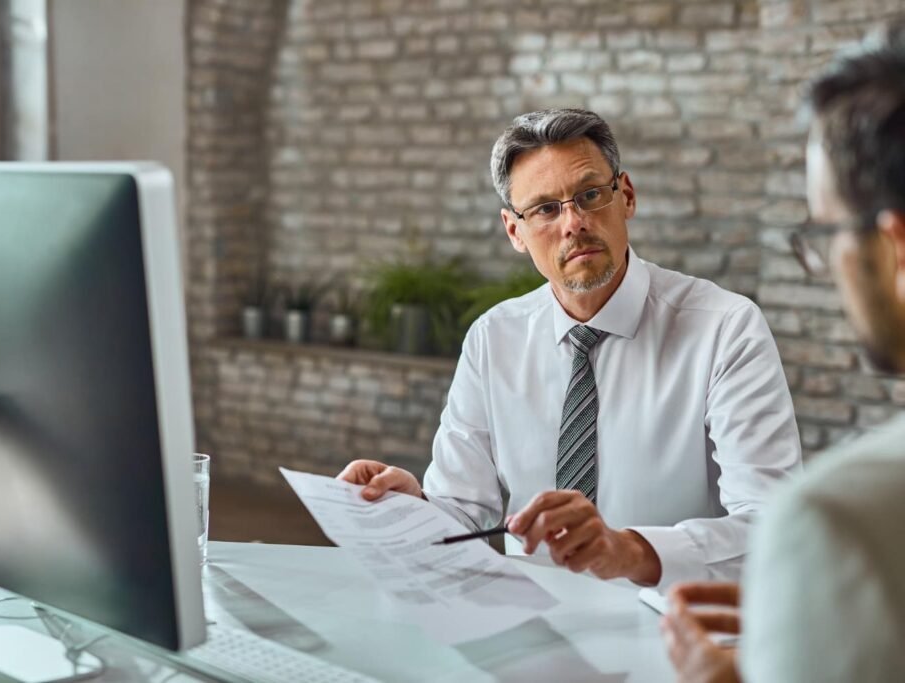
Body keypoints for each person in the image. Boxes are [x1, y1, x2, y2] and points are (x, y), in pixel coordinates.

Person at [339, 108, 802, 588]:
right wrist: (411, 508)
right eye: (544, 208)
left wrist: (628, 551)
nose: (574, 222)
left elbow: (773, 527)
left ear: (626, 196)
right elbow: (463, 511)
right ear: (514, 231)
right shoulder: (492, 338)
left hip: (671, 627)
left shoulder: (725, 329)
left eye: (590, 196)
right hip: (529, 624)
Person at [662, 23, 905, 681]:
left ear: (896, 247)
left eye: (825, 233)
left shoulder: (838, 519)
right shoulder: (495, 335)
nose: (823, 265)